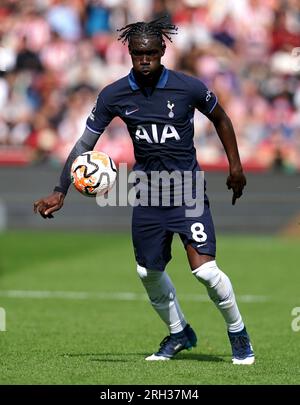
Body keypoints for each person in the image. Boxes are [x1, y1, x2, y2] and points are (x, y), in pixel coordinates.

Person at [34, 17, 255, 365]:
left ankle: (239, 335)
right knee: (147, 272)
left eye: (151, 52)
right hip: (147, 193)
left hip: (187, 189)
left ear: (163, 50)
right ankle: (180, 333)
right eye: (138, 54)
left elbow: (222, 119)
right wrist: (61, 190)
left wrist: (236, 166)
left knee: (206, 272)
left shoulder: (188, 87)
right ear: (130, 53)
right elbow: (84, 144)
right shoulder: (114, 94)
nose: (145, 60)